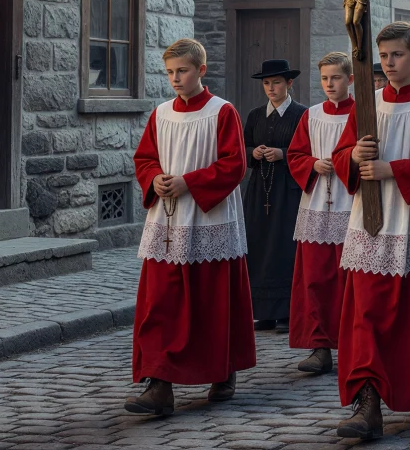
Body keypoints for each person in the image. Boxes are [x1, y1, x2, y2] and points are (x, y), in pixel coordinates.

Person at [331, 22, 410, 438]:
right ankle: (368, 402)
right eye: (383, 55)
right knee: (366, 311)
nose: (389, 63)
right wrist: (352, 154)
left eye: (397, 55)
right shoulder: (365, 104)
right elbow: (340, 155)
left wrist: (392, 169)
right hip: (372, 219)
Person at [126, 39, 252, 416]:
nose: (175, 79)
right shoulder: (160, 113)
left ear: (201, 70)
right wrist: (155, 179)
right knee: (160, 302)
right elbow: (145, 157)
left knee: (212, 300)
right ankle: (159, 384)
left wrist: (190, 182)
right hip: (167, 220)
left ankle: (222, 370)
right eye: (169, 72)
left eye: (182, 71)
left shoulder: (222, 112)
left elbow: (235, 164)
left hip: (209, 218)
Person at [285, 52, 355, 376]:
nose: (329, 84)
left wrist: (343, 163)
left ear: (350, 80)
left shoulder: (362, 114)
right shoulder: (311, 115)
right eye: (325, 78)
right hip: (315, 205)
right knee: (315, 278)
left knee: (348, 281)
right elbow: (295, 153)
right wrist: (312, 164)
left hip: (350, 204)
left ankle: (354, 345)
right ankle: (319, 347)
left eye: (336, 78)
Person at [241, 58, 308, 330]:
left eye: (276, 83)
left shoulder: (302, 114)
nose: (271, 88)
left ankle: (287, 312)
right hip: (259, 189)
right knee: (259, 244)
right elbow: (242, 149)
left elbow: (308, 151)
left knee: (285, 246)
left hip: (288, 190)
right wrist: (253, 153)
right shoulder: (255, 115)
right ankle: (263, 311)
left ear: (289, 84)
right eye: (267, 84)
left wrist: (283, 154)